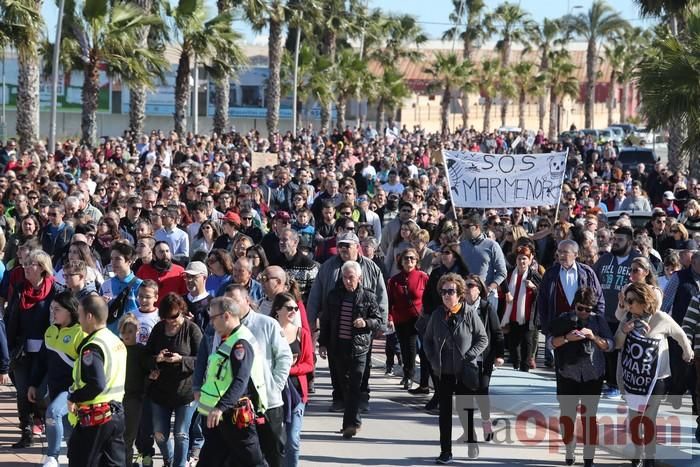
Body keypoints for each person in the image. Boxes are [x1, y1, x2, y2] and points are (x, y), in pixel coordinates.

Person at [615, 282, 694, 466]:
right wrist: (624, 331)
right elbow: (617, 344)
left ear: (644, 301)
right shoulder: (627, 318)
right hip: (634, 378)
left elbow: (680, 334)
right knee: (635, 418)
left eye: (631, 301)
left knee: (649, 419)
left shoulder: (661, 318)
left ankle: (649, 458)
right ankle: (637, 450)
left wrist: (687, 351)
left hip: (656, 379)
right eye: (626, 301)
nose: (628, 305)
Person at [423, 273, 488, 465]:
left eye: (450, 291)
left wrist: (469, 356)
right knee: (444, 413)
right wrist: (434, 361)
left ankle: (470, 438)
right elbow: (427, 341)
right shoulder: (436, 315)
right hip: (443, 372)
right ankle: (445, 451)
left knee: (464, 410)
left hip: (464, 371)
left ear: (459, 294)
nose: (446, 295)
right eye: (443, 291)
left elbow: (482, 339)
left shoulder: (469, 313)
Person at [196, 296, 267, 467]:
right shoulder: (229, 338)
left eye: (213, 318)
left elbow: (240, 381)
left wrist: (220, 408)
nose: (211, 323)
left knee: (253, 461)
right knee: (210, 460)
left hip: (234, 416)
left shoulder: (240, 343)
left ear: (226, 316)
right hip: (219, 416)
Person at [318, 261, 383, 439]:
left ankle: (349, 424)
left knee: (355, 385)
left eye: (351, 278)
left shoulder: (368, 296)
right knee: (344, 386)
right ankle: (354, 420)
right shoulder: (333, 295)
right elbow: (326, 321)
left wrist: (366, 322)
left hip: (359, 348)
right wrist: (323, 343)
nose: (348, 281)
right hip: (338, 347)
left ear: (359, 278)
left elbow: (378, 320)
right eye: (345, 278)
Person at [549, 287, 613, 467]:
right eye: (580, 308)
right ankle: (569, 450)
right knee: (567, 417)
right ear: (574, 305)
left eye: (588, 309)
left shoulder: (598, 321)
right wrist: (568, 338)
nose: (584, 313)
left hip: (593, 375)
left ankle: (588, 458)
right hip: (567, 374)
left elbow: (610, 344)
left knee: (589, 418)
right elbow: (550, 343)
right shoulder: (564, 319)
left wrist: (593, 336)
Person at [67, 295, 127, 466]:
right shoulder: (115, 340)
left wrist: (74, 396)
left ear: (89, 316)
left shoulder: (92, 347)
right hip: (116, 413)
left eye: (79, 315)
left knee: (82, 460)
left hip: (95, 416)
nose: (78, 320)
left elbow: (97, 384)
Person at [6, 249, 58, 448]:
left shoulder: (54, 290)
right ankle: (26, 430)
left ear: (43, 268)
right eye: (25, 264)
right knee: (22, 392)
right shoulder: (20, 289)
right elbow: (11, 318)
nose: (26, 268)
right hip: (22, 350)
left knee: (41, 391)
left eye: (31, 264)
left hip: (47, 350)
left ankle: (40, 417)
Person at [28, 291, 85, 467]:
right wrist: (33, 384)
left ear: (70, 310)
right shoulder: (50, 331)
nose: (53, 312)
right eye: (52, 308)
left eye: (57, 309)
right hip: (54, 388)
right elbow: (41, 362)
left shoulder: (80, 333)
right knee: (71, 435)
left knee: (52, 413)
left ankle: (52, 457)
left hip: (71, 389)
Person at [145, 293, 202, 467]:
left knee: (181, 434)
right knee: (159, 434)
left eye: (174, 316)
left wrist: (181, 360)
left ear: (182, 311)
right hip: (161, 391)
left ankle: (179, 464)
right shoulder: (158, 329)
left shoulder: (192, 329)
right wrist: (158, 359)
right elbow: (146, 355)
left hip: (185, 390)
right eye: (166, 318)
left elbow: (203, 359)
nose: (170, 321)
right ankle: (168, 459)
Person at [538, 240, 605, 368]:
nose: (561, 255)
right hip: (559, 327)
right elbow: (542, 303)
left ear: (575, 254)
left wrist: (596, 323)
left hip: (583, 327)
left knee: (584, 363)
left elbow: (599, 300)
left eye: (565, 252)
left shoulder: (587, 273)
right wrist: (547, 328)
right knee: (562, 367)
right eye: (559, 252)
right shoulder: (551, 274)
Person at [270, 292, 314, 467]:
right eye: (289, 308)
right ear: (277, 310)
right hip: (273, 393)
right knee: (275, 440)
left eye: (295, 308)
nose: (293, 311)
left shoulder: (301, 334)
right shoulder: (270, 331)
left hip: (296, 393)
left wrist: (289, 369)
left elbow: (309, 364)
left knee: (293, 440)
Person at [387, 248, 428, 390]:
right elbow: (390, 300)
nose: (409, 261)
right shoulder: (394, 280)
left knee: (412, 347)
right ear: (401, 261)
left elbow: (428, 299)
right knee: (404, 347)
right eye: (406, 258)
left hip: (416, 319)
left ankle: (410, 375)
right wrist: (389, 317)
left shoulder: (423, 277)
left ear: (417, 261)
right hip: (400, 318)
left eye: (412, 258)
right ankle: (407, 373)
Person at [500, 245, 541, 372]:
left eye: (524, 259)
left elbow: (543, 293)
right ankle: (516, 365)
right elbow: (502, 292)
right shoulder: (510, 274)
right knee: (513, 345)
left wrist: (534, 287)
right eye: (519, 259)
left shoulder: (534, 275)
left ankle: (524, 368)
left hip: (528, 317)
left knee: (527, 345)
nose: (522, 262)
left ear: (529, 260)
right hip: (511, 316)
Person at [119, 313, 152, 467]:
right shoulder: (116, 348)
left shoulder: (141, 351)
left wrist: (153, 373)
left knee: (128, 436)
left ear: (138, 331)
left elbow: (149, 371)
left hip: (134, 398)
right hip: (116, 397)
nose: (126, 335)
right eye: (124, 332)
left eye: (130, 331)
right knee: (116, 435)